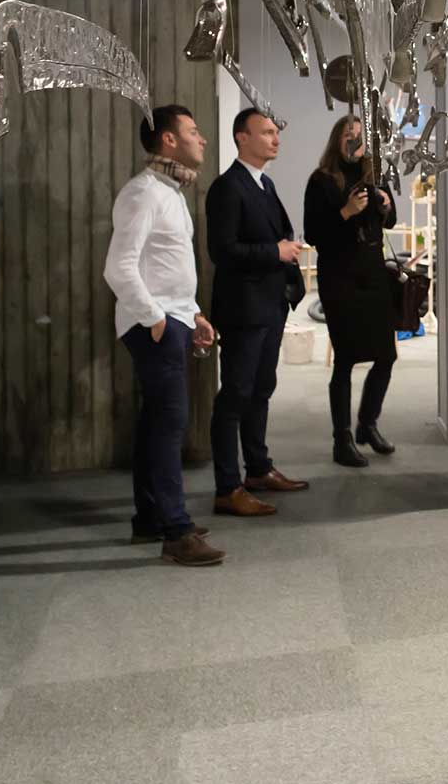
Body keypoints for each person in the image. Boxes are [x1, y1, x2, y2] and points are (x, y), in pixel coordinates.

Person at [101, 104, 224, 567]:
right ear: (169, 140)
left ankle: (150, 518)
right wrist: (156, 318)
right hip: (154, 325)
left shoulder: (170, 191)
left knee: (157, 423)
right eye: (193, 131)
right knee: (170, 426)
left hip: (173, 319)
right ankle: (176, 531)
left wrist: (193, 315)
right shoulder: (143, 193)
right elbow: (118, 267)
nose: (202, 139)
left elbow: (167, 267)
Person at [204, 108, 308, 517]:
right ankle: (227, 487)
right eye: (265, 132)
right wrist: (275, 252)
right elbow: (222, 250)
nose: (275, 139)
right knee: (235, 394)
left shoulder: (264, 183)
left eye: (275, 132)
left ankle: (258, 468)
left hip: (269, 303)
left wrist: (283, 251)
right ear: (241, 137)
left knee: (261, 388)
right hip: (243, 307)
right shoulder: (227, 187)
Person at [304, 115, 399, 469]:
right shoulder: (321, 181)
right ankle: (341, 439)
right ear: (337, 139)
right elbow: (313, 233)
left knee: (386, 355)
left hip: (373, 275)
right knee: (345, 360)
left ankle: (367, 424)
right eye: (349, 134)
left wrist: (386, 205)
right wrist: (345, 212)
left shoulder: (374, 176)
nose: (355, 141)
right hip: (340, 277)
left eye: (360, 135)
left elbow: (390, 221)